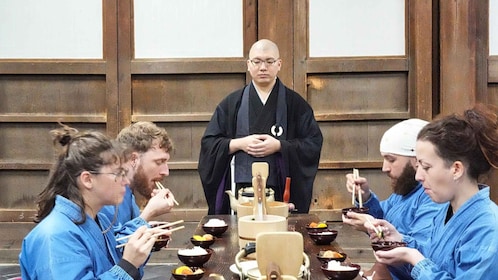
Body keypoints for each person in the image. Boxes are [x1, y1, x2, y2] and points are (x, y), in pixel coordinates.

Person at [368, 104, 498, 279]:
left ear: (456, 169)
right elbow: (434, 257)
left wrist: (413, 258)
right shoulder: (447, 211)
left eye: (426, 167)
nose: (418, 176)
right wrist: (401, 241)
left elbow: (425, 263)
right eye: (418, 166)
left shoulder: (487, 228)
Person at [198, 39, 323, 214]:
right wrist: (239, 143)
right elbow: (209, 144)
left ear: (279, 64)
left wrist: (280, 146)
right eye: (257, 61)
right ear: (248, 65)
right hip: (241, 189)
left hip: (280, 191)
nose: (263, 67)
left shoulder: (296, 104)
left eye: (269, 61)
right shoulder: (232, 103)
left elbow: (313, 143)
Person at [19, 124, 159, 280]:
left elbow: (119, 254)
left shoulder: (101, 220)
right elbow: (125, 265)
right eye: (119, 173)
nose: (126, 181)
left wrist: (142, 243)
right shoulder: (55, 237)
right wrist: (128, 265)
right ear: (88, 179)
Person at [343, 119, 444, 280]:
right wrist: (365, 197)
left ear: (416, 160)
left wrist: (376, 229)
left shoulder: (432, 197)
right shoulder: (404, 191)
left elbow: (423, 254)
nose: (385, 168)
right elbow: (383, 216)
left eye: (391, 159)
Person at [100, 121, 177, 237]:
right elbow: (113, 250)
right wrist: (148, 213)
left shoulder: (129, 194)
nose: (166, 172)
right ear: (133, 159)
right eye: (159, 162)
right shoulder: (106, 194)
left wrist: (149, 231)